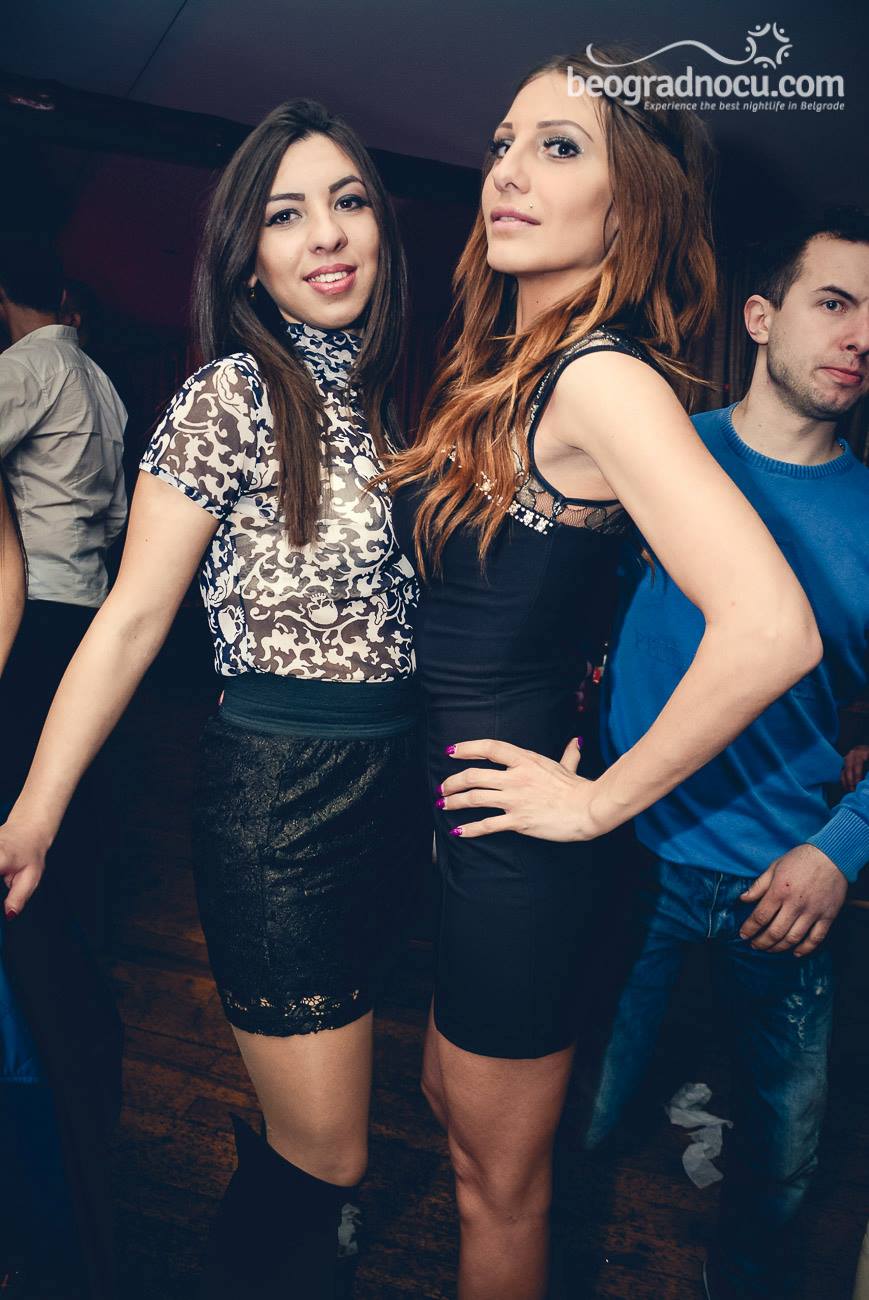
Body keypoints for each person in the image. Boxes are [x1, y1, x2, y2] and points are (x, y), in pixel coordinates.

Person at [386, 51, 821, 1300]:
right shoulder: (517, 367)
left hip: (519, 853)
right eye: (503, 141)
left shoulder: (600, 377)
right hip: (463, 826)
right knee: (454, 1115)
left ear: (629, 209)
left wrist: (593, 804)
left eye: (558, 147)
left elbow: (770, 628)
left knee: (497, 1190)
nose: (509, 171)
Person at [0, 98, 427, 1299]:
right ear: (247, 258)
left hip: (391, 790)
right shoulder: (230, 396)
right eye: (285, 215)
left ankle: (278, 1248)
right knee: (333, 1151)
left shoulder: (392, 398)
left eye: (347, 201)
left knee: (323, 1142)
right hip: (280, 803)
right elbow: (131, 619)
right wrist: (35, 809)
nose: (325, 234)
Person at [446, 209, 869, 1296]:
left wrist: (840, 849)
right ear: (760, 316)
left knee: (780, 1155)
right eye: (834, 302)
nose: (860, 336)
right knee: (573, 1117)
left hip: (780, 880)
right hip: (627, 853)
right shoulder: (653, 449)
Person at [0, 235, 128, 877]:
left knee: (17, 779)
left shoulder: (23, 369)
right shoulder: (103, 386)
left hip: (27, 604)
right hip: (89, 604)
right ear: (59, 295)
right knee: (71, 782)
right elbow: (119, 516)